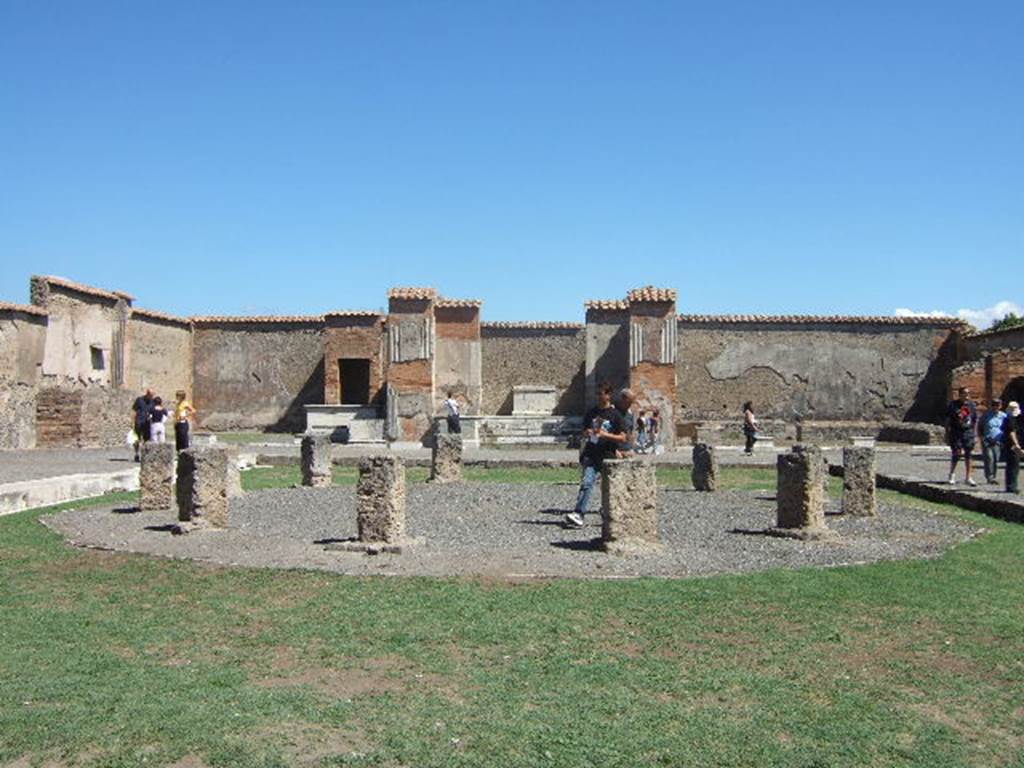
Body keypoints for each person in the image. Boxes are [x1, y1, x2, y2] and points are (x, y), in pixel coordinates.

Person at [565, 383, 627, 528]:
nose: (599, 396)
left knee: (610, 487)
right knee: (587, 483)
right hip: (592, 454)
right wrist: (587, 433)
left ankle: (610, 512)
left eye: (602, 393)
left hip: (608, 455)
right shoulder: (591, 413)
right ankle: (579, 513)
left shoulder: (615, 415)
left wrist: (606, 435)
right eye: (598, 394)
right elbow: (585, 430)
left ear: (609, 395)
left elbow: (623, 437)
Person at [945, 386, 978, 486]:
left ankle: (968, 477)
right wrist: (947, 433)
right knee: (957, 453)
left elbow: (974, 420)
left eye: (968, 393)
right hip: (956, 431)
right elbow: (948, 420)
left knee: (969, 454)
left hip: (968, 432)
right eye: (965, 393)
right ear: (960, 394)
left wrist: (974, 434)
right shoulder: (953, 405)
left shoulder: (971, 405)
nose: (967, 396)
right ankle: (952, 474)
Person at [979, 398, 1006, 484]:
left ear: (1000, 406)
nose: (996, 407)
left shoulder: (1003, 416)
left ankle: (993, 476)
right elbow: (980, 426)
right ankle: (989, 477)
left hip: (998, 441)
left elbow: (1007, 427)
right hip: (987, 440)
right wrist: (981, 438)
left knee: (996, 459)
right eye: (994, 405)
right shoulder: (986, 415)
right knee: (989, 458)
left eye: (997, 405)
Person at [1002, 401, 1023, 494]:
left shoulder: (1011, 418)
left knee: (1014, 465)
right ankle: (1011, 486)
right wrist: (1016, 444)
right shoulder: (1010, 419)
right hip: (1012, 445)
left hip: (1011, 445)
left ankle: (1011, 485)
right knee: (1013, 466)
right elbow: (1012, 432)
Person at [131, 388, 154, 461]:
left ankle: (145, 455)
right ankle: (137, 454)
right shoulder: (139, 400)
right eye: (150, 395)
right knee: (137, 439)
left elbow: (153, 412)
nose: (151, 397)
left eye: (152, 395)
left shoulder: (152, 402)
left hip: (147, 423)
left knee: (147, 440)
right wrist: (132, 422)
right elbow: (134, 410)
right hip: (139, 421)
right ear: (147, 394)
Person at [615, 388, 637, 456]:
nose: (630, 405)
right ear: (622, 399)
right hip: (615, 450)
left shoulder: (630, 413)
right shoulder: (612, 411)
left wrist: (631, 448)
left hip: (627, 450)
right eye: (629, 402)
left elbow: (630, 432)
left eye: (631, 403)